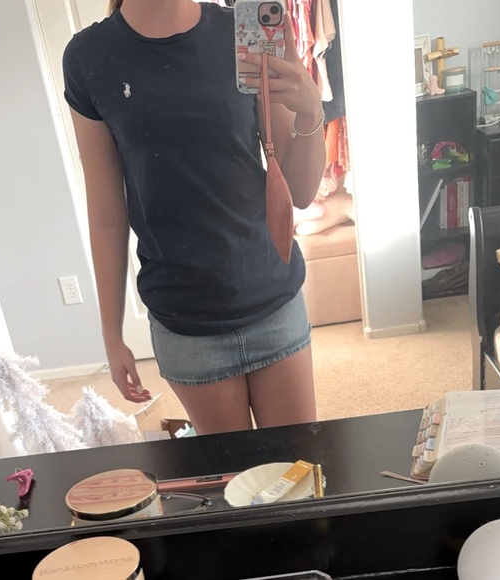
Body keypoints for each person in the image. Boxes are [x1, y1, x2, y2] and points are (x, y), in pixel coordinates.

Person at [62, 0, 327, 435]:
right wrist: (112, 334)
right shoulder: (88, 58)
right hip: (185, 324)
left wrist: (312, 110)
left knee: (298, 466)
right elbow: (107, 215)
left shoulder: (245, 32)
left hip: (274, 303)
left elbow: (298, 191)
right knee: (230, 473)